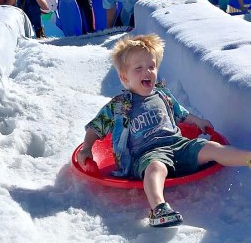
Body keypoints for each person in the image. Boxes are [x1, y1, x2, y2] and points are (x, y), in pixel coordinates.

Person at [77, 34, 251, 227]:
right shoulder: (119, 105)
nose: (147, 72)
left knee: (211, 147)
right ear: (124, 77)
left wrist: (197, 121)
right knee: (155, 169)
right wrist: (86, 148)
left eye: (151, 66)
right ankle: (159, 208)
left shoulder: (162, 95)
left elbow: (181, 114)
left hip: (178, 145)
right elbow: (95, 127)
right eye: (139, 68)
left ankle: (248, 158)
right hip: (145, 155)